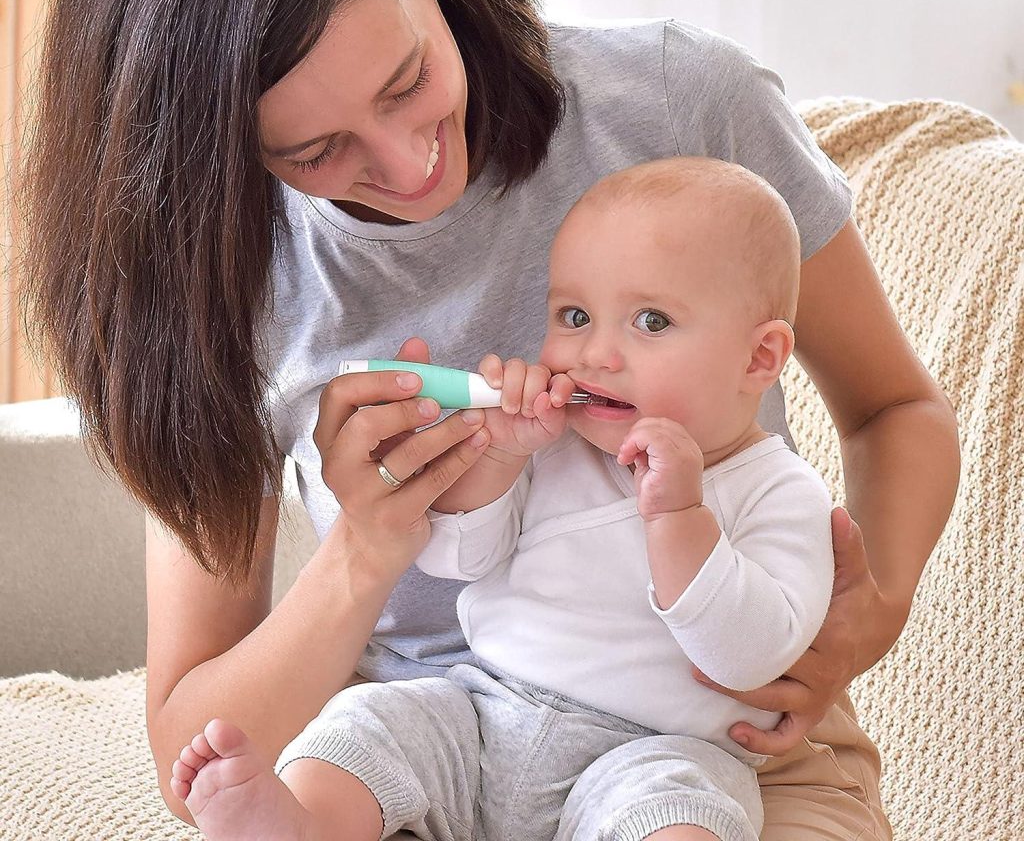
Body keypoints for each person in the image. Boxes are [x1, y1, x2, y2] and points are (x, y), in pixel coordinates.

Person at [17, 0, 959, 839]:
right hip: (428, 754)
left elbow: (894, 406)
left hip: (716, 751)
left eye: (408, 80)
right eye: (320, 148)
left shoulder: (682, 108)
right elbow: (193, 750)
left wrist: (877, 607)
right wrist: (364, 552)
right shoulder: (221, 283)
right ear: (222, 155)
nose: (409, 163)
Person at [170, 156, 837, 841]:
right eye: (575, 315)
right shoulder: (557, 449)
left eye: (653, 322)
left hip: (653, 751)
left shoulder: (784, 494)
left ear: (759, 358)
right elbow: (459, 559)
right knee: (372, 726)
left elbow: (750, 657)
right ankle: (303, 824)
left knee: (688, 815)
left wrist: (679, 518)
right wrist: (500, 454)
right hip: (484, 713)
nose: (596, 355)